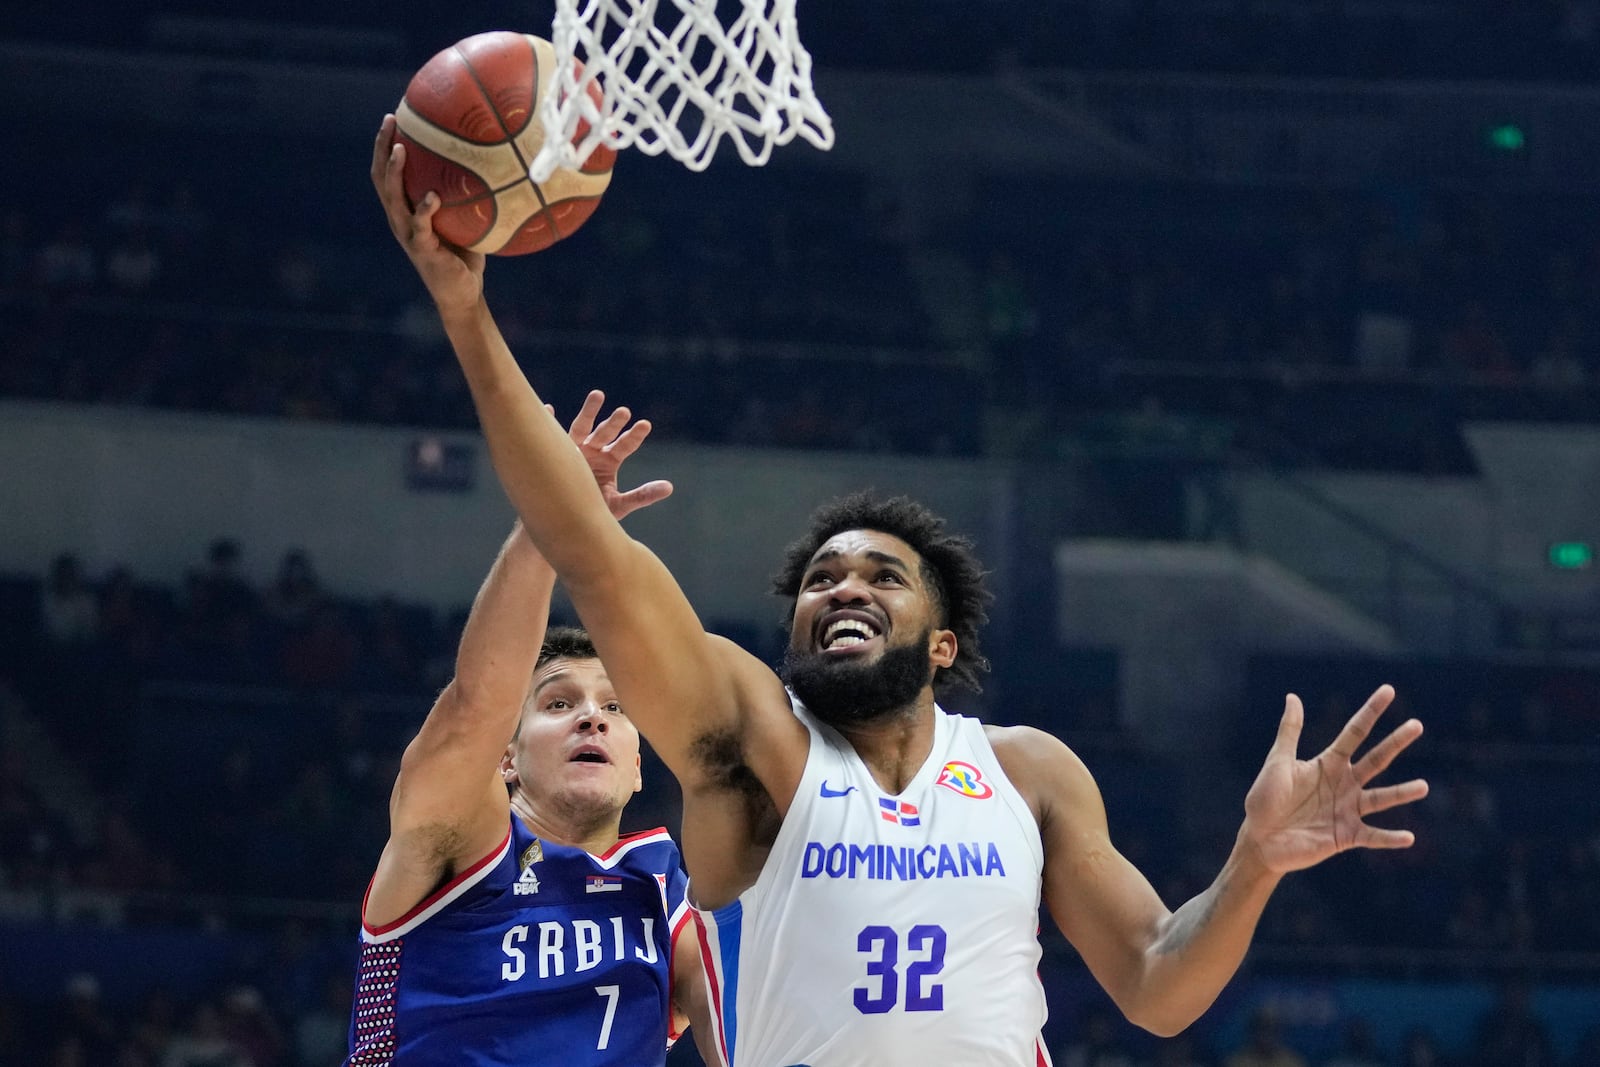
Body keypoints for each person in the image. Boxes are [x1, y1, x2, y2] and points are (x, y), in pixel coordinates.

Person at [372, 113, 1430, 1067]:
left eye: (882, 573)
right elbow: (587, 547)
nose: (844, 585)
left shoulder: (1029, 773)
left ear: (941, 640)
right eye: (821, 576)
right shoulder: (755, 741)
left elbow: (1157, 983)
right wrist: (467, 315)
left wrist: (1250, 864)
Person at [345, 390, 709, 1066]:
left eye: (613, 705)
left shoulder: (662, 888)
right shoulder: (460, 842)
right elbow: (471, 713)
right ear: (505, 758)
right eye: (557, 702)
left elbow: (746, 1027)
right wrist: (552, 519)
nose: (593, 714)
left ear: (637, 766)